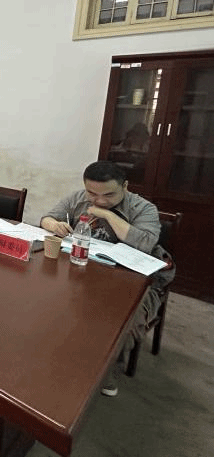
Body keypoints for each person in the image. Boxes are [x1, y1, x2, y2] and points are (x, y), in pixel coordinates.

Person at [40, 160, 175, 396]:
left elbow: (145, 243)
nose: (99, 200)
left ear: (125, 186)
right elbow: (47, 218)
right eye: (92, 193)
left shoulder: (143, 208)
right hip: (86, 269)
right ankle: (63, 350)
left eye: (108, 195)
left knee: (122, 319)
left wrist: (105, 214)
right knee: (49, 296)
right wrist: (55, 224)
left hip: (134, 278)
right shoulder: (78, 198)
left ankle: (105, 372)